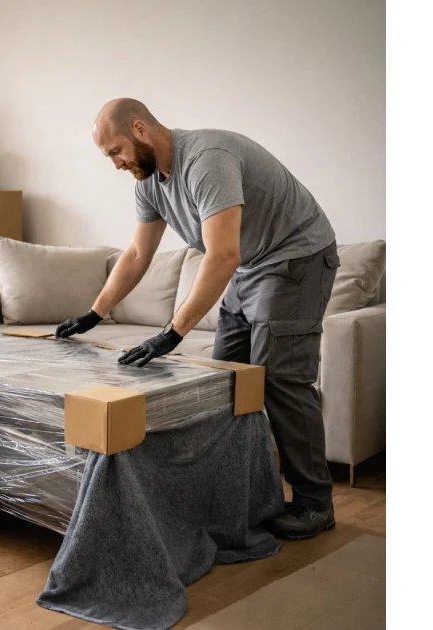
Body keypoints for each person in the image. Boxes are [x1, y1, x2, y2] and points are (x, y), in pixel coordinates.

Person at [55, 99, 340, 540]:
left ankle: (315, 504)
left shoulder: (207, 160)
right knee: (221, 380)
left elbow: (223, 255)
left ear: (140, 129)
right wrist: (95, 313)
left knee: (280, 380)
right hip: (251, 266)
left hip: (295, 259)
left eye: (115, 151)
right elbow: (137, 254)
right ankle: (238, 493)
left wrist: (172, 333)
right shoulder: (149, 182)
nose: (115, 164)